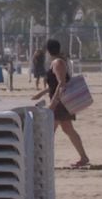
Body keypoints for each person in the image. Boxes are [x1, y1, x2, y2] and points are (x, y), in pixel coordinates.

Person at [32, 39, 91, 168]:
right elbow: (56, 84)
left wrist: (54, 102)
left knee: (49, 130)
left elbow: (62, 83)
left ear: (48, 50)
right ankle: (83, 157)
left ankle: (41, 160)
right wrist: (42, 93)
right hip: (61, 101)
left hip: (60, 102)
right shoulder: (57, 62)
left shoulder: (58, 63)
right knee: (67, 129)